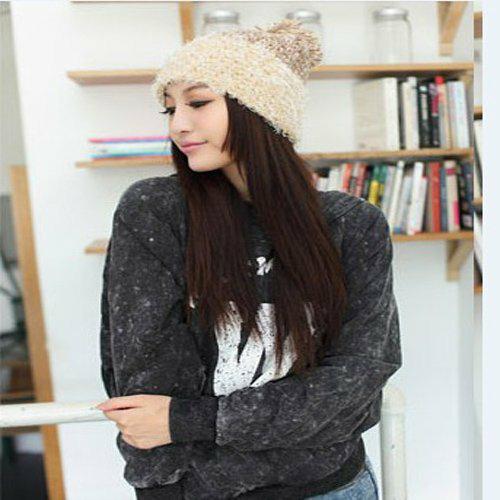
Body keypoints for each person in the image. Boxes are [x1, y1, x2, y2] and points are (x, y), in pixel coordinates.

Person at [95, 18, 402, 499]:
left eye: (198, 103)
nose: (178, 125)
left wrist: (190, 420)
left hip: (331, 488)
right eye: (169, 108)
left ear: (260, 109)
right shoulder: (154, 212)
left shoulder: (352, 224)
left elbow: (354, 385)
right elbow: (145, 395)